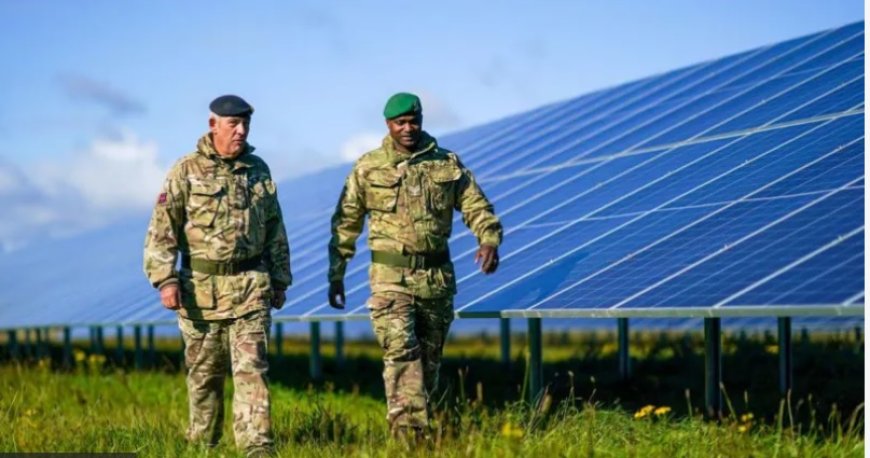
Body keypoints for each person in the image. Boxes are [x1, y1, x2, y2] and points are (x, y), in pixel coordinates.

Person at [327, 92, 502, 438]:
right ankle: (411, 438)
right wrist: (337, 273)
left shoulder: (446, 164)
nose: (408, 128)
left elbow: (476, 205)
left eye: (413, 121)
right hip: (390, 280)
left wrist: (489, 239)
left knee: (428, 365)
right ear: (388, 125)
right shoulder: (368, 167)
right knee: (401, 352)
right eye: (400, 123)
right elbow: (346, 222)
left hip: (436, 281)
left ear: (421, 120)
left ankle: (424, 428)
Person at [143, 95, 291, 457]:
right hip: (200, 294)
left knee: (252, 372)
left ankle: (257, 448)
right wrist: (166, 279)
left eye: (245, 125)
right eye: (233, 124)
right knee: (205, 379)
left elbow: (274, 227)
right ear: (213, 125)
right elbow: (163, 229)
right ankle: (204, 446)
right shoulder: (185, 171)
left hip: (250, 289)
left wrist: (280, 277)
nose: (240, 131)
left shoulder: (258, 170)